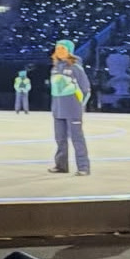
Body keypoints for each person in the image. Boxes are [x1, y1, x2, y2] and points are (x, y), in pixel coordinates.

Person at [47, 39, 90, 176]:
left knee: (77, 138)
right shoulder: (55, 68)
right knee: (60, 139)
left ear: (69, 51)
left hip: (72, 109)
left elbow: (86, 89)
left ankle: (83, 167)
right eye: (57, 49)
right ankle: (61, 166)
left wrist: (79, 105)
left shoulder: (75, 67)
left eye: (63, 49)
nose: (59, 51)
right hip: (58, 109)